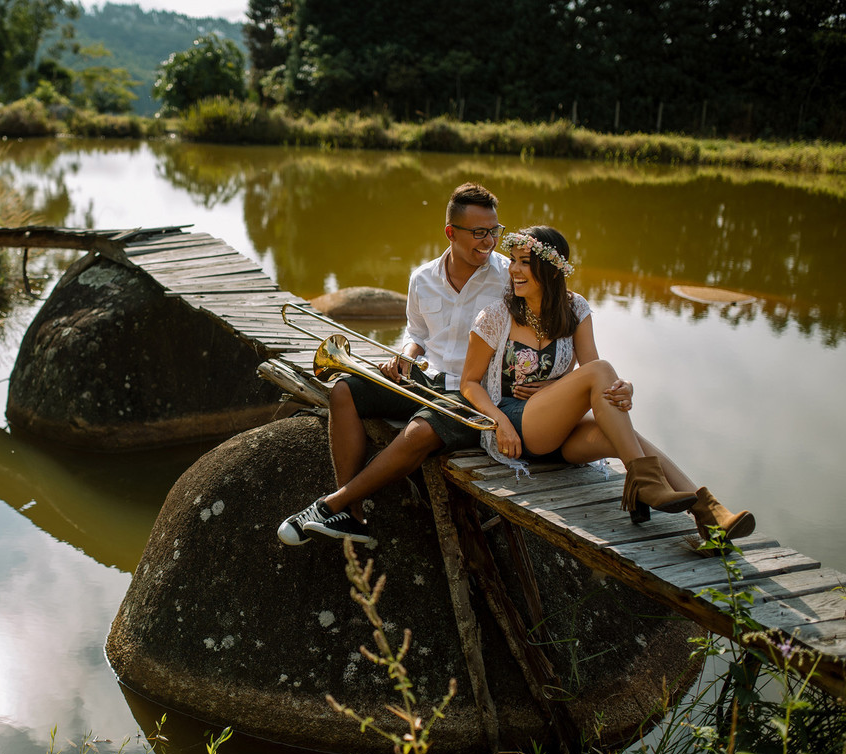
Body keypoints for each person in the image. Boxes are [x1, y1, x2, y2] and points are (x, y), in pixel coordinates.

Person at [458, 225, 753, 540]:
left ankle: (708, 514)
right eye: (513, 260)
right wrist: (499, 421)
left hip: (561, 434)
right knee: (603, 374)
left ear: (552, 270)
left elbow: (592, 373)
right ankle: (647, 485)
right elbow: (469, 383)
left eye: (525, 262)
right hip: (516, 426)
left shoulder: (575, 309)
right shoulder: (496, 317)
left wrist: (625, 387)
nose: (514, 269)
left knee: (623, 435)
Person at [278, 182, 511, 546]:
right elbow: (417, 332)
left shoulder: (510, 278)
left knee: (419, 431)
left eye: (494, 231)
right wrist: (406, 353)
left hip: (475, 390)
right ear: (451, 232)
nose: (489, 242)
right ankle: (352, 517)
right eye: (479, 232)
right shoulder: (423, 278)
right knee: (344, 390)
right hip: (427, 378)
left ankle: (329, 504)